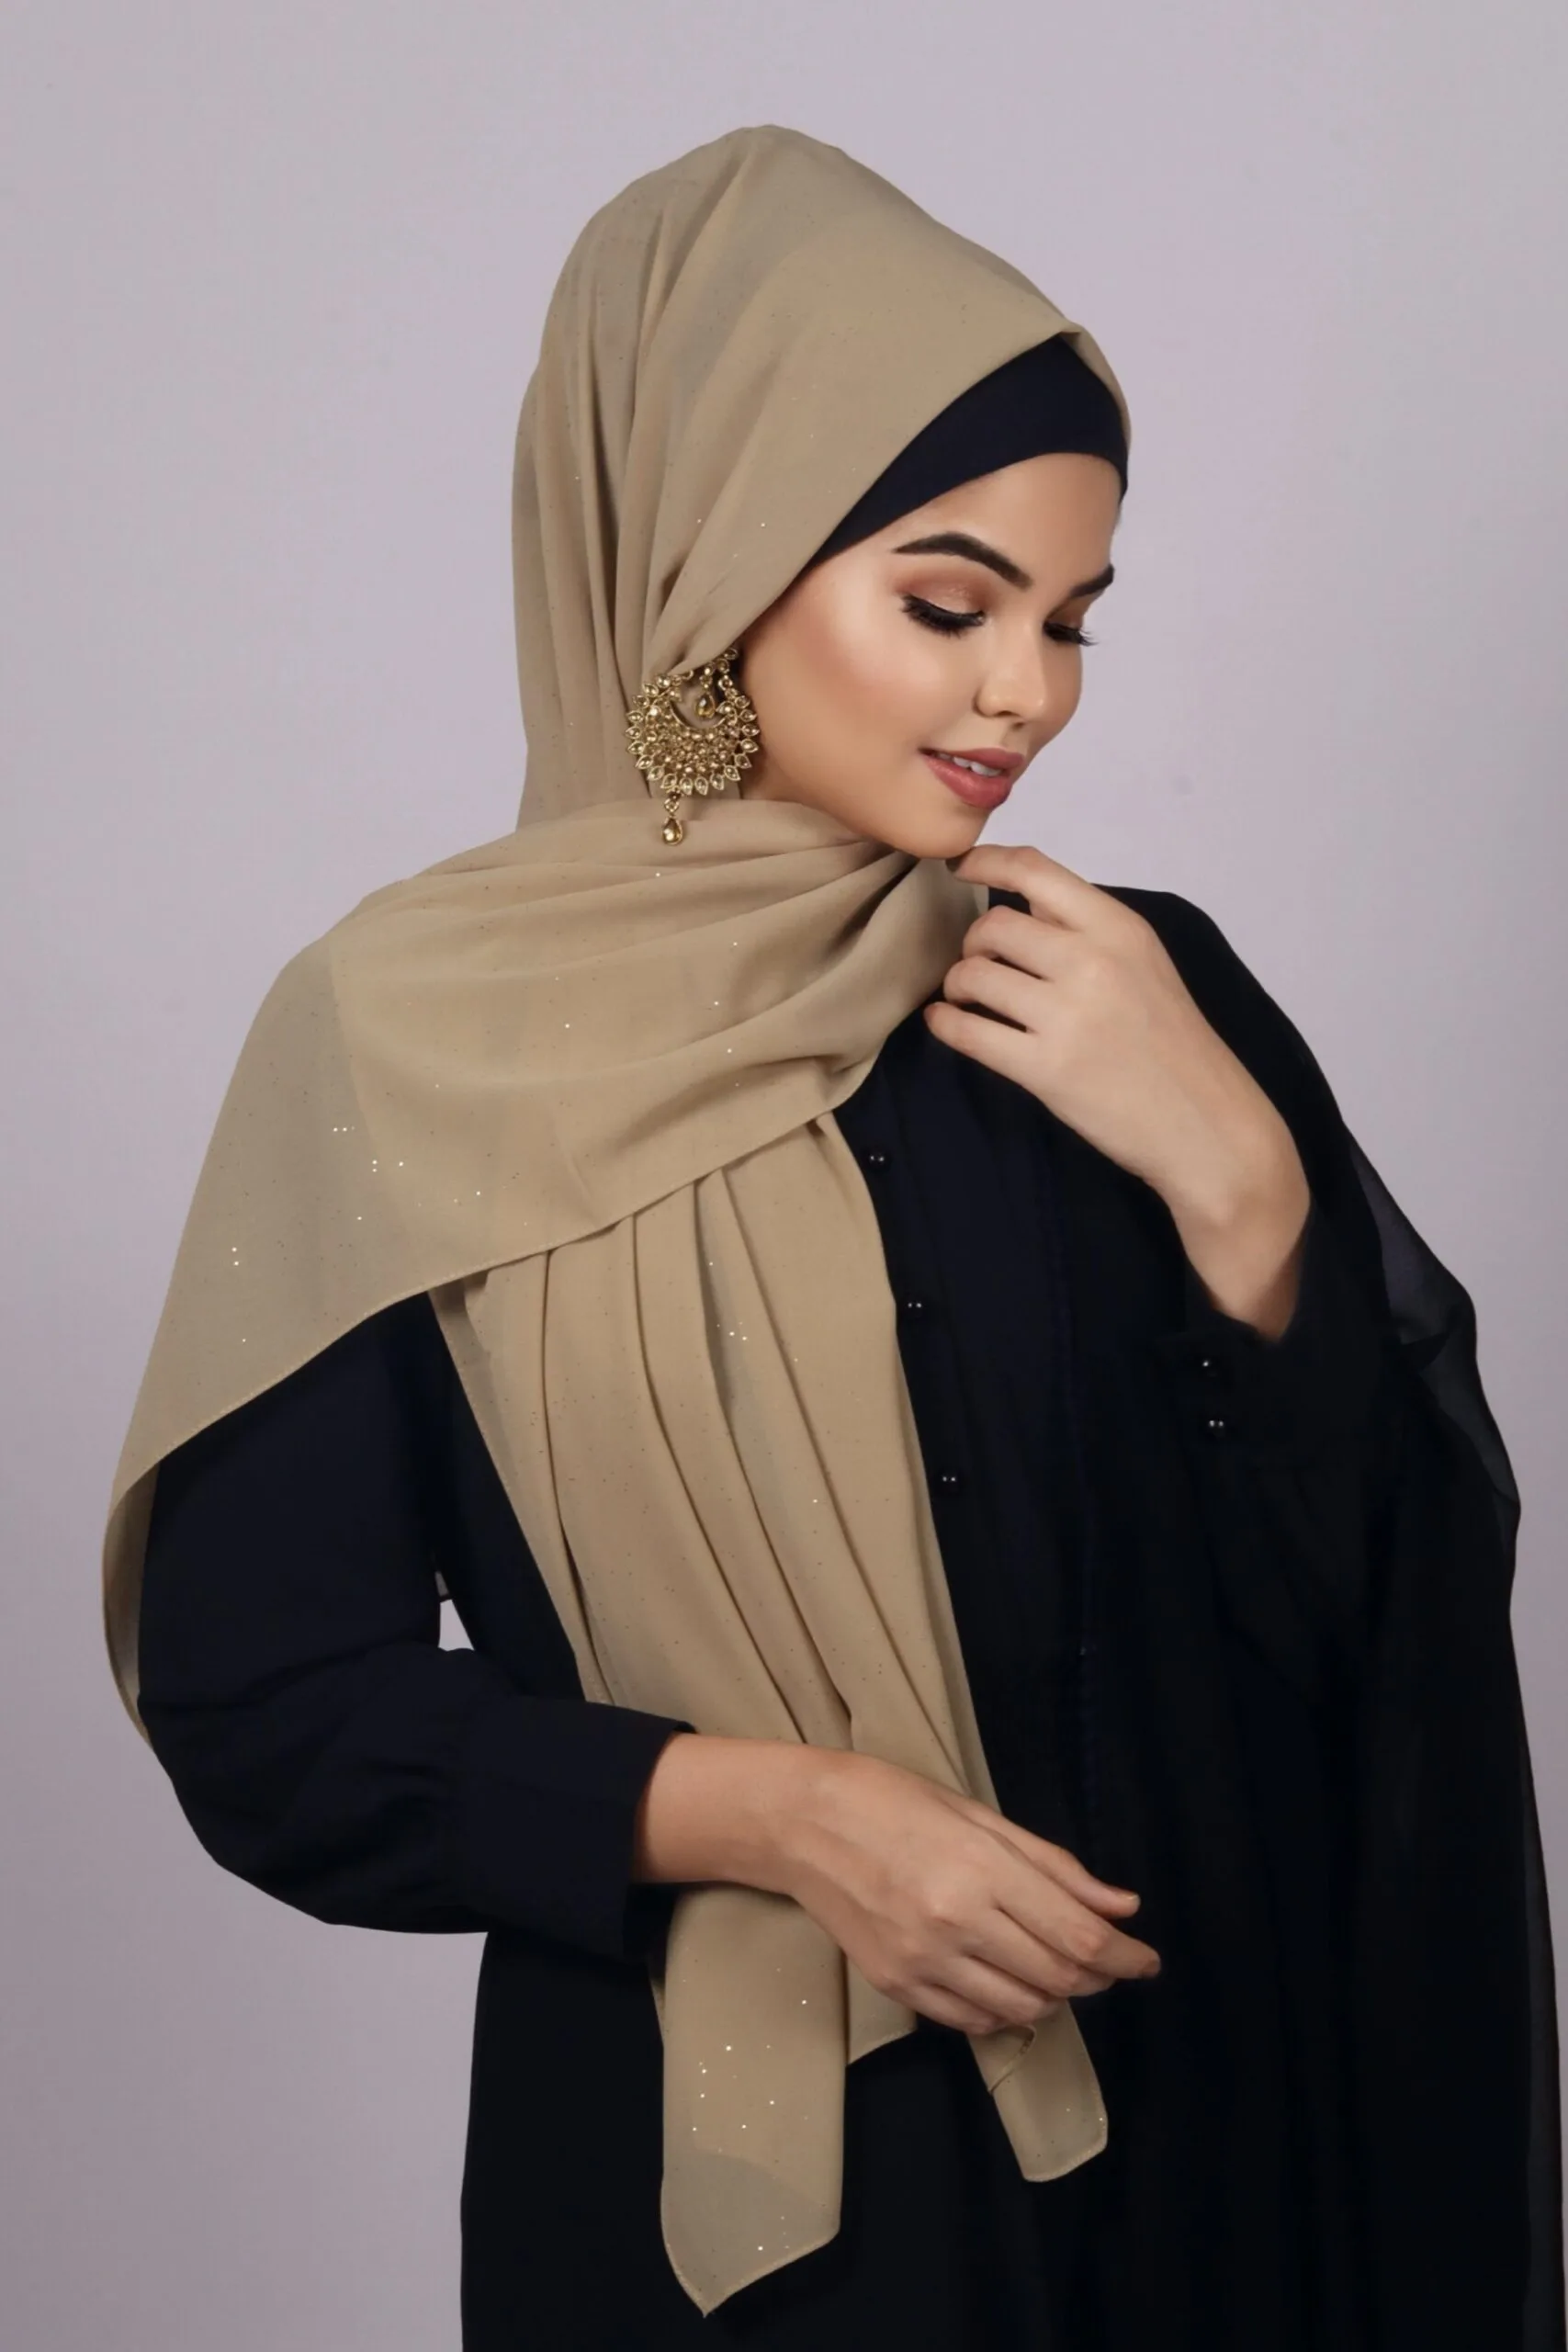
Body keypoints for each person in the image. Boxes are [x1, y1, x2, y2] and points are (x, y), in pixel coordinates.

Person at [104, 124, 1562, 2350]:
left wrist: (1244, 1191)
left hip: (1215, 2159)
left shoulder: (1124, 985)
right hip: (748, 2238)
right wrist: (777, 1815)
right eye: (949, 606)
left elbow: (1375, 1628)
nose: (1028, 694)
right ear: (714, 564)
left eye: (1069, 619)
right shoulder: (406, 1049)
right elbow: (267, 1709)